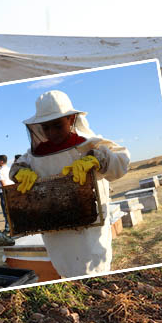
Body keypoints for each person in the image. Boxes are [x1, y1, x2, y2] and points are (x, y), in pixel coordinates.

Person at [10, 90, 130, 278]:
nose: (51, 133)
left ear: (71, 119)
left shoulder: (89, 145)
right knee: (66, 270)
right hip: (55, 230)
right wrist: (19, 171)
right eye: (46, 128)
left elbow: (122, 162)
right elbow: (17, 167)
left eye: (57, 125)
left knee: (95, 270)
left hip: (89, 229)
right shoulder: (34, 155)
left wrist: (99, 159)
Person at [0, 154, 14, 232]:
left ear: (1, 161)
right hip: (12, 191)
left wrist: (5, 192)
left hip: (4, 192)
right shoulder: (10, 169)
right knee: (12, 209)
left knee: (6, 210)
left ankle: (8, 227)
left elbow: (3, 183)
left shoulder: (0, 171)